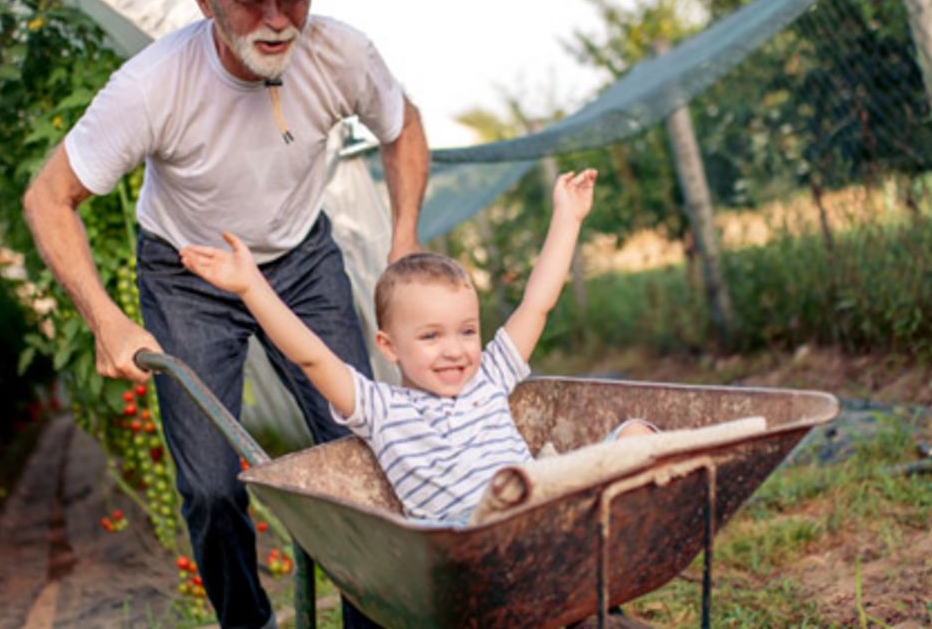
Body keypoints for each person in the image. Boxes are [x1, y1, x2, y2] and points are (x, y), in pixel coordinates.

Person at [21, 0, 429, 626]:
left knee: (360, 451)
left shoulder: (341, 54)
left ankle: (371, 621)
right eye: (250, 0)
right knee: (210, 485)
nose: (276, 20)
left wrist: (402, 241)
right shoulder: (152, 86)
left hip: (300, 263)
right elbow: (46, 197)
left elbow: (403, 125)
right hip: (187, 275)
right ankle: (249, 622)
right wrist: (105, 318)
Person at [181, 169, 657, 526]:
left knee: (636, 432)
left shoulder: (491, 375)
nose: (454, 350)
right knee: (505, 501)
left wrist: (567, 219)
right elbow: (311, 355)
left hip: (544, 506)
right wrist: (251, 287)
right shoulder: (380, 408)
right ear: (389, 346)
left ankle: (621, 534)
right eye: (430, 336)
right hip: (475, 535)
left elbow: (537, 303)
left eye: (466, 332)